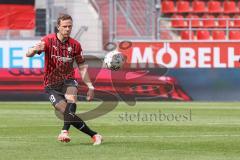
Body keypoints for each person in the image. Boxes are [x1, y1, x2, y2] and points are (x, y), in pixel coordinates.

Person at [26, 14, 102, 145]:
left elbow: (82, 67)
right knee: (67, 113)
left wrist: (90, 86)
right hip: (51, 85)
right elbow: (28, 54)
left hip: (68, 81)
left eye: (70, 26)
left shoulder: (75, 45)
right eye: (65, 26)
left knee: (71, 97)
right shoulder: (48, 40)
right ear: (58, 27)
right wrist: (34, 50)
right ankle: (94, 135)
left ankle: (64, 131)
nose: (67, 29)